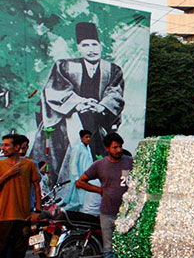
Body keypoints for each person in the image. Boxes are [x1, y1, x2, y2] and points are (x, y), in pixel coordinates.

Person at [33, 21, 125, 179]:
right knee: (61, 156)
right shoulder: (65, 66)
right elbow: (56, 89)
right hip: (68, 120)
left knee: (98, 155)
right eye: (85, 45)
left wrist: (101, 106)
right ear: (78, 47)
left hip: (97, 120)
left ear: (100, 46)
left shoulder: (112, 70)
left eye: (94, 44)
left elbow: (114, 92)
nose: (91, 50)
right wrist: (79, 102)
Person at [75, 133, 132, 258]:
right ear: (108, 149)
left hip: (127, 214)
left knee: (126, 249)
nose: (118, 150)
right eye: (115, 147)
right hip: (107, 213)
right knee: (109, 249)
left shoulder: (130, 162)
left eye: (120, 146)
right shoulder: (99, 165)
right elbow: (80, 182)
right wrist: (100, 190)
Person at [0, 134, 41, 258]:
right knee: (1, 252)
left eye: (6, 145)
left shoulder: (29, 164)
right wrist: (7, 174)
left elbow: (36, 187)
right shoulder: (1, 165)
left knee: (19, 253)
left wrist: (37, 210)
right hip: (3, 216)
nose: (3, 148)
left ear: (17, 147)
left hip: (23, 217)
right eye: (2, 145)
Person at [61, 130, 95, 211]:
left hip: (87, 178)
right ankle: (61, 213)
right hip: (79, 179)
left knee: (83, 200)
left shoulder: (88, 149)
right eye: (86, 137)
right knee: (75, 201)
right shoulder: (77, 148)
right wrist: (76, 178)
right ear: (81, 138)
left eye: (89, 137)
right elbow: (73, 164)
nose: (88, 139)